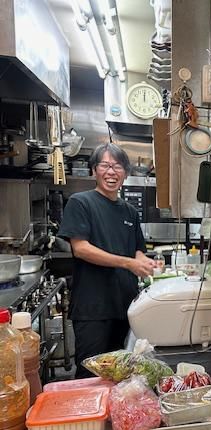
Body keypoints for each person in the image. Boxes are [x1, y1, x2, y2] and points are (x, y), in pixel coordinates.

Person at [58, 143, 156, 378]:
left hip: (124, 306)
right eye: (105, 165)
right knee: (90, 375)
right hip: (93, 309)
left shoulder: (130, 212)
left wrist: (145, 263)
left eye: (118, 166)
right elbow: (81, 249)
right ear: (94, 170)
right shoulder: (80, 202)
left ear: (125, 173)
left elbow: (138, 251)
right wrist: (128, 263)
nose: (111, 172)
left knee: (117, 375)